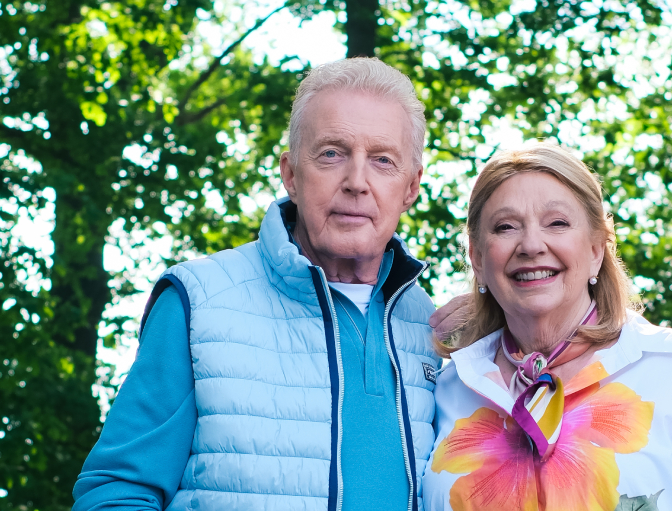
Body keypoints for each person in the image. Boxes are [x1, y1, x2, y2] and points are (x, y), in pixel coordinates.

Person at [73, 58, 441, 510]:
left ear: (411, 187)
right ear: (290, 173)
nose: (356, 182)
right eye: (331, 153)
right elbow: (117, 491)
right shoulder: (199, 301)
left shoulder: (434, 330)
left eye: (383, 160)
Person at [422, 142, 672, 511]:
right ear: (476, 258)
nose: (531, 244)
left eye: (557, 223)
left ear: (596, 250)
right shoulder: (446, 388)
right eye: (505, 227)